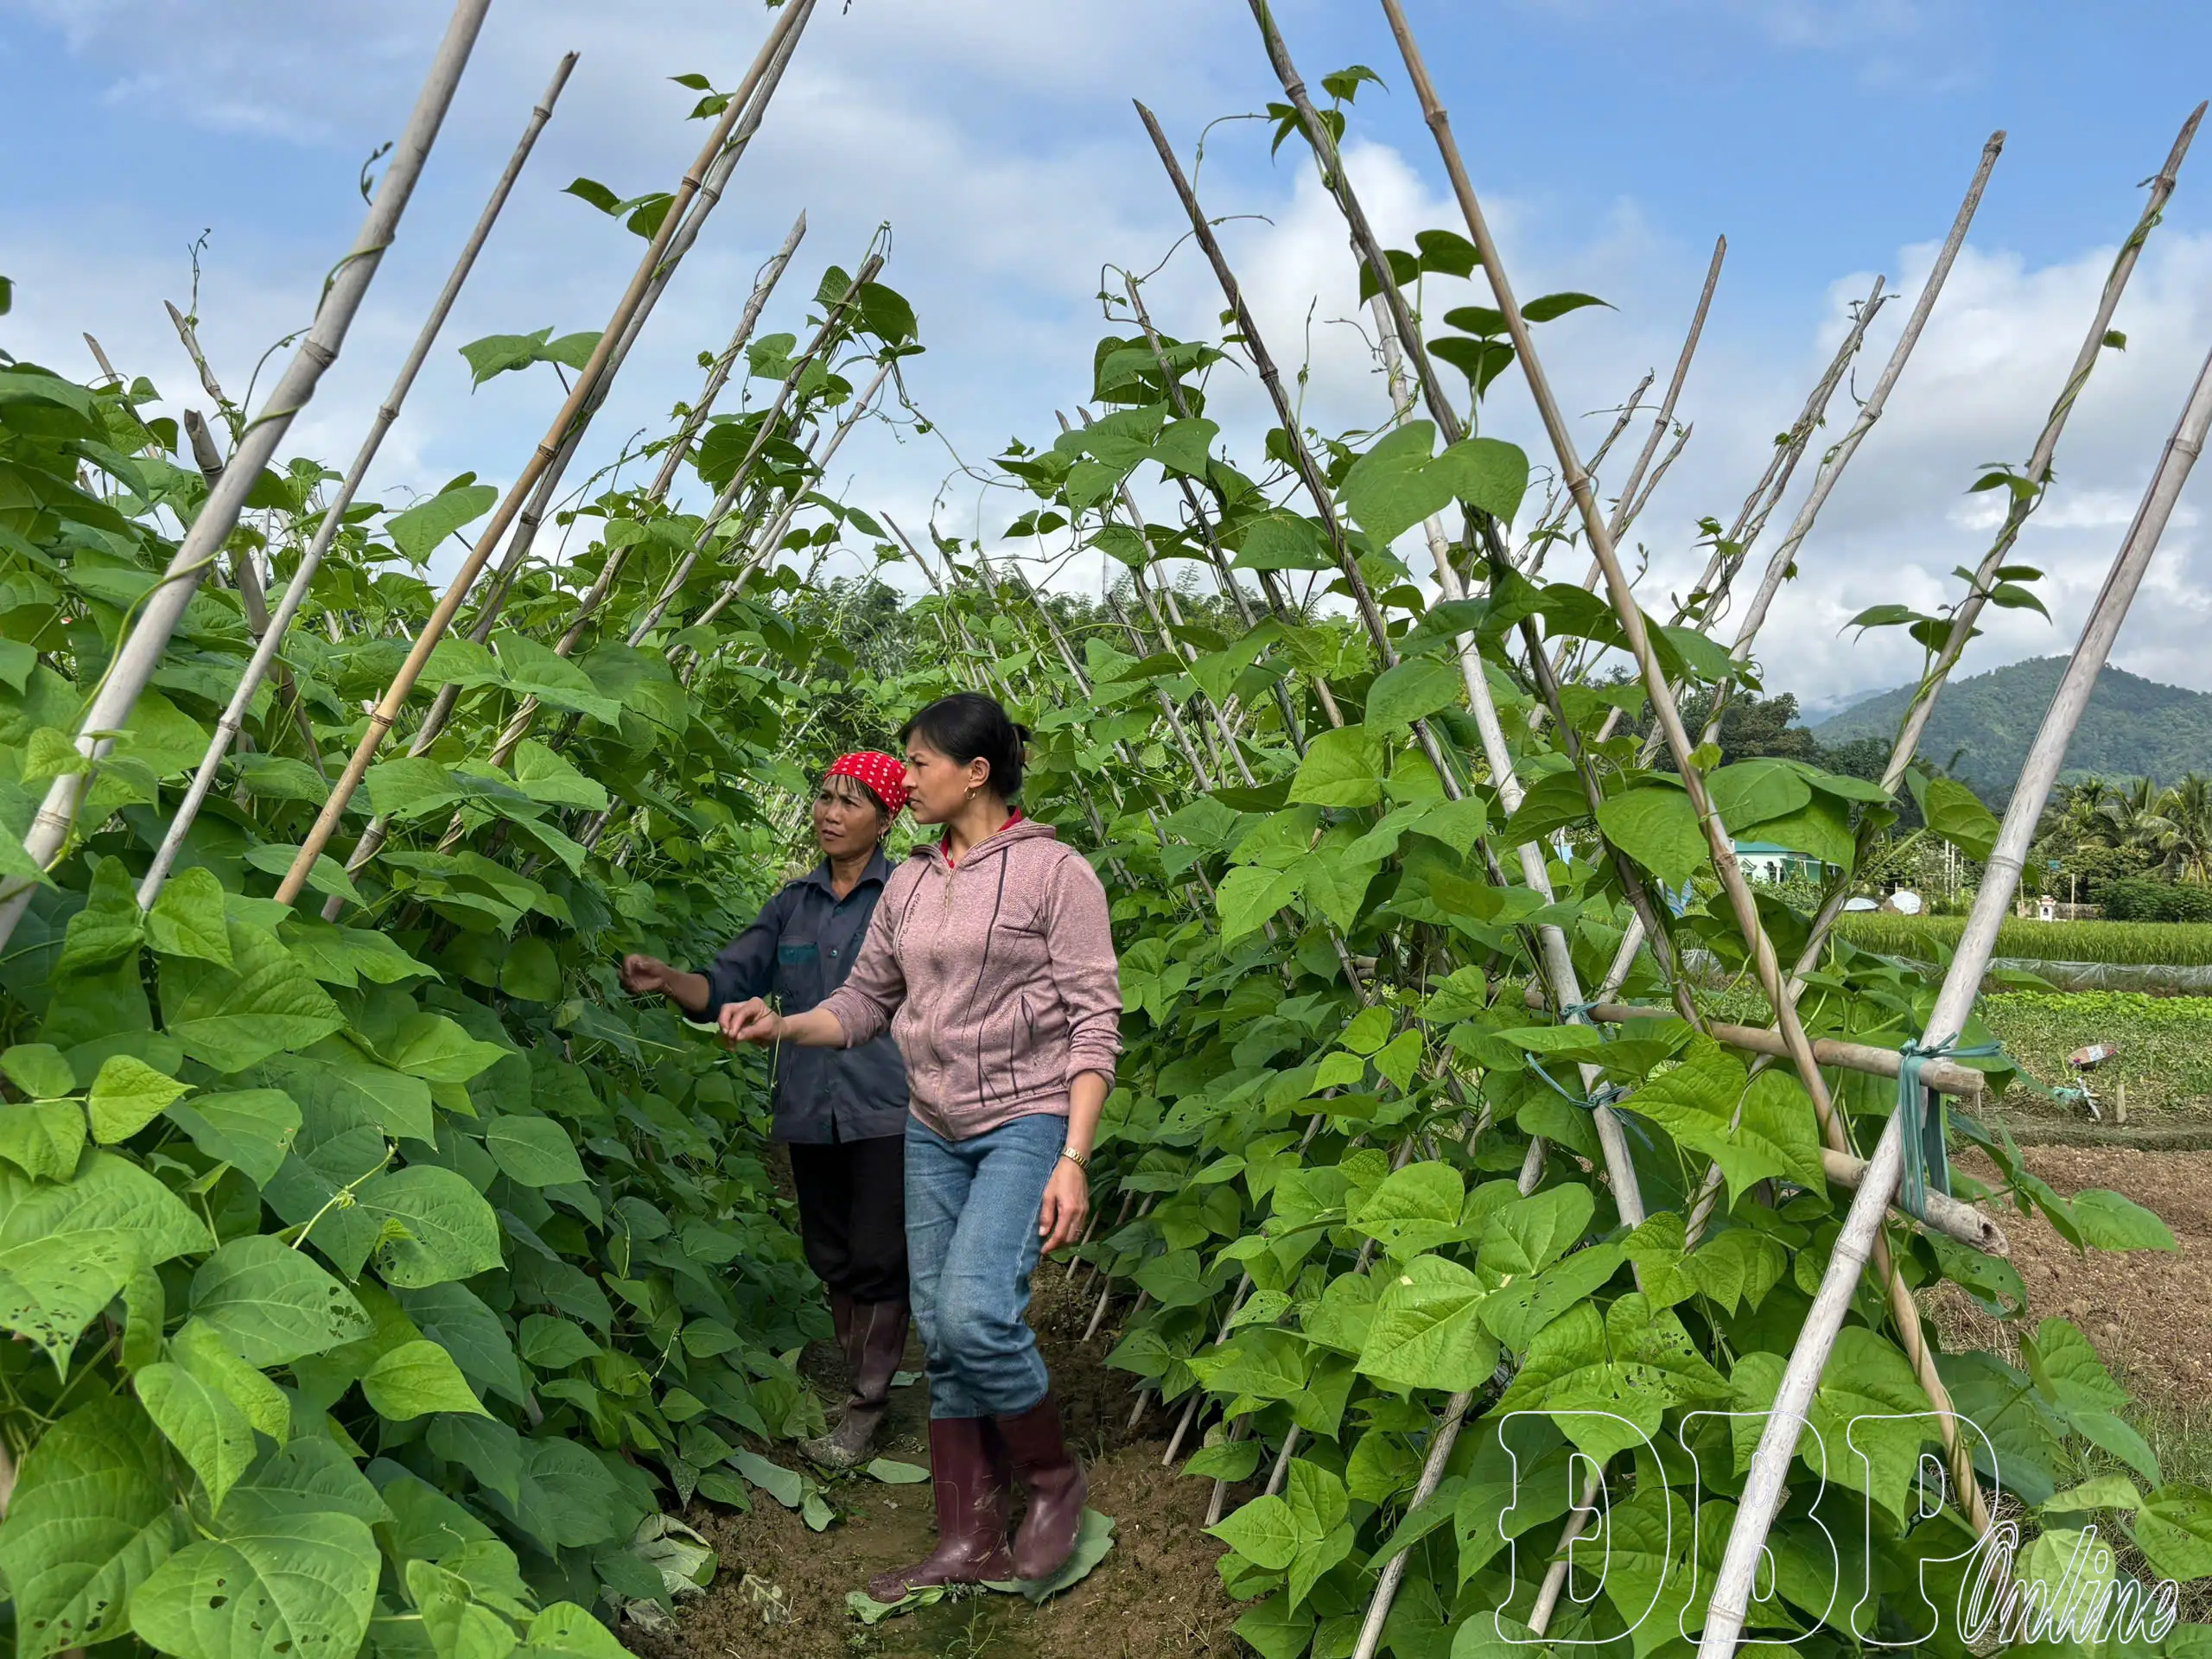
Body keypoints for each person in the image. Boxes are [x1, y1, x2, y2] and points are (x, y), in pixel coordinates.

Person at [721, 691, 1120, 1596]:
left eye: (920, 763)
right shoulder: (907, 880)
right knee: (940, 1333)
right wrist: (779, 1023)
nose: (904, 779)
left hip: (1025, 1121)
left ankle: (1053, 1482)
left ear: (976, 772)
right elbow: (865, 1003)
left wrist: (1074, 1157)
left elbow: (1095, 1027)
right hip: (931, 1128)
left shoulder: (1056, 874)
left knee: (979, 1314)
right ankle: (964, 1539)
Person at [620, 751, 917, 1468]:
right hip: (811, 1107)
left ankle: (867, 1405)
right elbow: (727, 983)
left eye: (850, 803)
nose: (829, 813)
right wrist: (668, 980)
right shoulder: (792, 904)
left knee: (878, 1256)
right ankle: (861, 1382)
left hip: (892, 1105)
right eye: (824, 798)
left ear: (885, 820)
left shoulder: (909, 895)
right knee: (831, 1254)